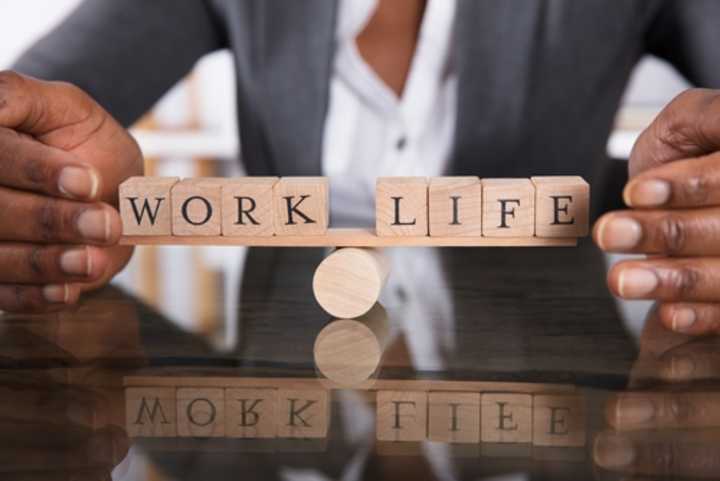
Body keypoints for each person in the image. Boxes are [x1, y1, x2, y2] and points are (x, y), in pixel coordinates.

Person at [1, 0, 720, 339]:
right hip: (284, 341)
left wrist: (691, 182)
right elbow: (38, 100)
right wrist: (52, 172)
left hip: (558, 351)